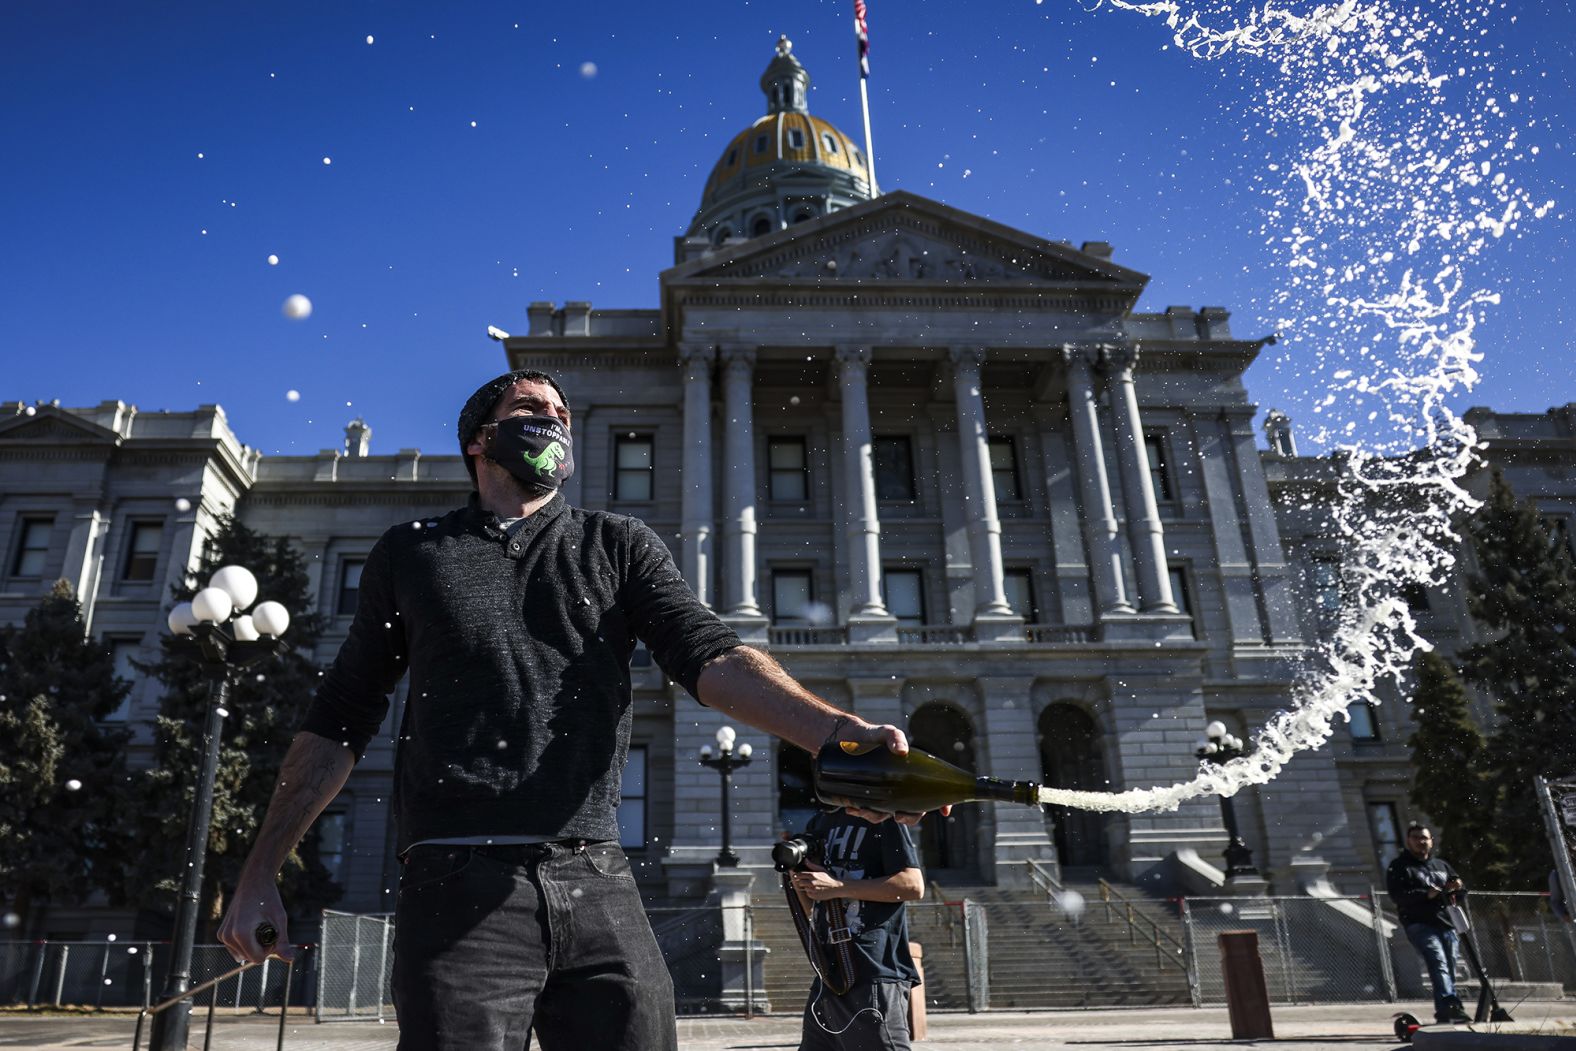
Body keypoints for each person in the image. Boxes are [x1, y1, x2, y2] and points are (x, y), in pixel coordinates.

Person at [217, 369, 921, 1051]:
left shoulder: (618, 544)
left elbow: (709, 655)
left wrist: (838, 733)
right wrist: (258, 873)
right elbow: (340, 717)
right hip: (456, 879)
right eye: (533, 409)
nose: (553, 422)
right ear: (479, 440)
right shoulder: (413, 552)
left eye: (562, 416)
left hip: (595, 875)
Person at [788, 811, 924, 1051]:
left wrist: (838, 886)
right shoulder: (820, 821)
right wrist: (800, 879)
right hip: (829, 977)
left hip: (872, 972)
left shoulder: (880, 815)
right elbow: (814, 905)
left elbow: (912, 885)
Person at [1386, 823, 1469, 1024]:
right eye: (1416, 838)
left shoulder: (1441, 865)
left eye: (1424, 838)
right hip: (1419, 923)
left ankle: (1444, 1011)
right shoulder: (1400, 866)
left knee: (1449, 966)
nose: (1421, 841)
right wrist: (1427, 894)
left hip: (1446, 922)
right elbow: (1398, 896)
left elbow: (1460, 893)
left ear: (1431, 841)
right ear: (1408, 841)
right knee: (1438, 962)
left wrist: (1457, 888)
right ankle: (1451, 1005)